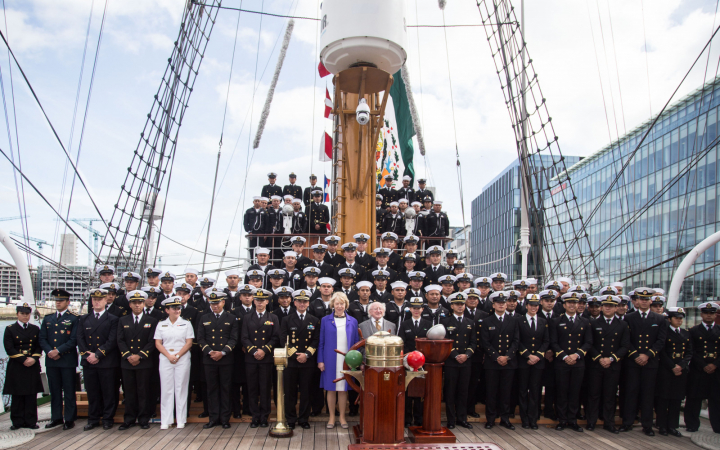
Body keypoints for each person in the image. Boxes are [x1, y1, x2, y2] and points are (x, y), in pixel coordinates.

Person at [620, 288, 667, 436]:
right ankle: (627, 422)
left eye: (647, 299)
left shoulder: (659, 319)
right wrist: (635, 355)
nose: (644, 301)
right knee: (630, 392)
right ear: (637, 301)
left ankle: (647, 425)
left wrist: (647, 355)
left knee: (648, 394)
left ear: (651, 301)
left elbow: (661, 341)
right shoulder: (629, 318)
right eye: (641, 299)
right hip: (633, 361)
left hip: (650, 362)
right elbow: (626, 339)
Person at [585, 295, 630, 433]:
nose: (608, 308)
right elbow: (589, 343)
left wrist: (611, 359)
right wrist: (599, 358)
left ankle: (609, 422)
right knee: (593, 394)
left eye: (611, 306)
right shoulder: (592, 323)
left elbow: (625, 346)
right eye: (605, 305)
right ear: (601, 307)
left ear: (616, 308)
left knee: (610, 395)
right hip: (596, 364)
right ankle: (591, 421)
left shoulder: (622, 324)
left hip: (613, 364)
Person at [77, 288, 119, 431]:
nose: (97, 302)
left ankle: (108, 418)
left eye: (100, 299)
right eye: (94, 299)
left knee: (108, 392)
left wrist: (98, 354)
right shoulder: (83, 319)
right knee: (92, 392)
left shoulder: (113, 319)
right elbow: (80, 339)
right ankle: (93, 418)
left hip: (106, 361)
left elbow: (112, 340)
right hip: (89, 361)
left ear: (106, 300)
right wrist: (88, 355)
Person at [117, 290, 159, 430]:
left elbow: (152, 341)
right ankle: (128, 418)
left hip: (144, 362)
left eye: (140, 302)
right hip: (127, 362)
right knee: (129, 392)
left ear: (144, 303)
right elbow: (120, 340)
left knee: (143, 391)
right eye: (134, 303)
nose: (137, 305)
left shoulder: (151, 321)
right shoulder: (123, 320)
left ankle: (143, 418)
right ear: (129, 304)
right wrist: (129, 355)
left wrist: (140, 355)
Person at [550, 292, 592, 432]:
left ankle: (572, 420)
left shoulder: (585, 322)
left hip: (577, 362)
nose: (573, 305)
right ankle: (562, 420)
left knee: (575, 392)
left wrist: (576, 355)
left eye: (575, 303)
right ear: (564, 305)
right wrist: (564, 356)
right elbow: (554, 342)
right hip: (562, 362)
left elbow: (588, 342)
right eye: (569, 303)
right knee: (562, 392)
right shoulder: (556, 321)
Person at [198, 288, 239, 429]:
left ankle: (225, 418)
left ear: (223, 302)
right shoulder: (204, 318)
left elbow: (234, 339)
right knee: (212, 389)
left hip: (226, 359)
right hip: (209, 359)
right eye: (212, 303)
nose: (215, 306)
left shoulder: (231, 318)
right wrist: (210, 352)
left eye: (217, 303)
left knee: (226, 389)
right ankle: (213, 418)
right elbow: (201, 339)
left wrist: (223, 352)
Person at [318, 292, 360, 429]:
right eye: (337, 303)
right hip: (330, 360)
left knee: (343, 389)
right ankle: (331, 417)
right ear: (333, 305)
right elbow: (321, 342)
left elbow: (356, 343)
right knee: (330, 389)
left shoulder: (353, 321)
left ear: (346, 305)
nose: (339, 306)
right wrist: (320, 360)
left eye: (342, 303)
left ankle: (342, 417)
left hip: (346, 360)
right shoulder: (325, 320)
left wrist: (355, 362)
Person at [39, 289, 79, 430]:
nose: (58, 303)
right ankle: (56, 417)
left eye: (61, 301)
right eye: (56, 300)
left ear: (67, 302)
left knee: (69, 391)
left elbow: (74, 339)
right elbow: (42, 338)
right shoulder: (48, 318)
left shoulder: (74, 318)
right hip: (52, 361)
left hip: (67, 360)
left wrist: (58, 351)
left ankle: (69, 419)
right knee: (55, 391)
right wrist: (50, 351)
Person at [241, 289, 280, 428]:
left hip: (266, 358)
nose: (259, 302)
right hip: (251, 358)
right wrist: (254, 351)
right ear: (253, 301)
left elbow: (275, 337)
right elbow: (244, 337)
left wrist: (264, 350)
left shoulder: (273, 318)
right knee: (252, 388)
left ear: (267, 301)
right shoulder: (247, 317)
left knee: (265, 388)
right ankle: (254, 416)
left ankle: (264, 416)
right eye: (257, 300)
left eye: (262, 300)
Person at [154, 297, 195, 430]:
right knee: (166, 389)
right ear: (167, 310)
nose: (177, 310)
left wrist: (177, 355)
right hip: (166, 358)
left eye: (178, 308)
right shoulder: (161, 324)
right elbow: (158, 343)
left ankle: (181, 419)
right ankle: (166, 420)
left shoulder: (186, 324)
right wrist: (169, 356)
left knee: (181, 388)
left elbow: (189, 342)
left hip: (182, 358)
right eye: (174, 308)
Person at [480, 291, 519, 430]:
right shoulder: (487, 321)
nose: (501, 305)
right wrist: (497, 357)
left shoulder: (514, 321)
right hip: (492, 362)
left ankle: (505, 418)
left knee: (506, 392)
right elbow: (485, 342)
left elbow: (516, 341)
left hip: (508, 362)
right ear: (493, 305)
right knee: (491, 392)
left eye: (503, 303)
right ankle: (490, 419)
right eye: (499, 303)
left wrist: (507, 356)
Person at [281, 289, 320, 429]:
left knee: (306, 392)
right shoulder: (286, 320)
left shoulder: (314, 320)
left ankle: (303, 419)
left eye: (305, 301)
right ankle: (291, 419)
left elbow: (316, 340)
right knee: (290, 392)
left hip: (307, 362)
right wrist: (296, 354)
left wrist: (306, 355)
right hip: (291, 362)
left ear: (308, 303)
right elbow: (283, 339)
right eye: (299, 301)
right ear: (294, 302)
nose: (302, 304)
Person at [3, 302, 43, 430]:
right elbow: (9, 348)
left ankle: (31, 421)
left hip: (32, 364)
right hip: (17, 365)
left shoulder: (35, 329)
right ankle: (17, 421)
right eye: (22, 314)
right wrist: (24, 359)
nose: (25, 316)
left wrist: (34, 358)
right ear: (17, 314)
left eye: (27, 314)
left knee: (31, 394)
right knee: (17, 394)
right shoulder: (10, 329)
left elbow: (38, 346)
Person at [441, 292, 477, 430]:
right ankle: (451, 420)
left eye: (462, 304)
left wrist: (466, 355)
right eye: (457, 304)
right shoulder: (445, 322)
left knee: (463, 391)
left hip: (466, 362)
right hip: (452, 362)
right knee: (450, 392)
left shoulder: (470, 322)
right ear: (452, 306)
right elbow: (444, 341)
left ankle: (462, 418)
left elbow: (473, 342)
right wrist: (456, 355)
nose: (460, 306)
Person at [684, 301, 720, 433]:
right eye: (706, 313)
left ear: (716, 315)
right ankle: (692, 424)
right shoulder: (693, 331)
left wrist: (714, 364)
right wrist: (704, 365)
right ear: (701, 315)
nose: (709, 316)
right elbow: (691, 351)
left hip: (716, 371)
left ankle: (717, 426)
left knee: (716, 400)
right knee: (694, 399)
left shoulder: (719, 330)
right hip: (698, 370)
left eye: (712, 313)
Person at [656, 307, 691, 437]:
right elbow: (662, 352)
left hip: (680, 371)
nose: (679, 321)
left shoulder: (686, 333)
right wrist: (672, 366)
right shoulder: (664, 333)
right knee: (663, 399)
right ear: (669, 319)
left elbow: (689, 352)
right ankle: (662, 425)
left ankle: (672, 425)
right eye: (676, 318)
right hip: (666, 370)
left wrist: (681, 366)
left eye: (681, 318)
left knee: (676, 400)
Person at [397, 297, 432, 427]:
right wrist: (407, 358)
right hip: (407, 364)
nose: (416, 310)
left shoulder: (428, 324)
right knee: (407, 393)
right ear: (410, 309)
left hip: (422, 364)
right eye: (414, 308)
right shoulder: (405, 324)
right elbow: (401, 343)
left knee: (419, 392)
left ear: (422, 309)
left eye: (418, 308)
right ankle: (407, 419)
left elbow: (430, 343)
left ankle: (419, 419)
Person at [515, 294, 548, 430]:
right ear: (526, 306)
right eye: (531, 305)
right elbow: (517, 340)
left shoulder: (542, 321)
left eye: (536, 305)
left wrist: (538, 356)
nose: (534, 307)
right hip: (524, 361)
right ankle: (524, 418)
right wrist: (528, 355)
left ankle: (533, 418)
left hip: (538, 362)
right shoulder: (519, 320)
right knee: (523, 390)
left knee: (535, 391)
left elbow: (546, 341)